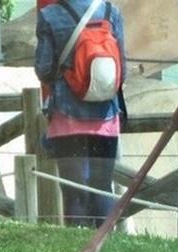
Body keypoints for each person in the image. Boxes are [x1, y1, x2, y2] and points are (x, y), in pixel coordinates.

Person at [34, 0, 126, 228]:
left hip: (67, 116)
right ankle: (104, 243)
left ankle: (76, 246)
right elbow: (121, 69)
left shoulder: (50, 16)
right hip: (106, 115)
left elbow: (43, 69)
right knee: (103, 185)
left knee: (73, 188)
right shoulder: (111, 12)